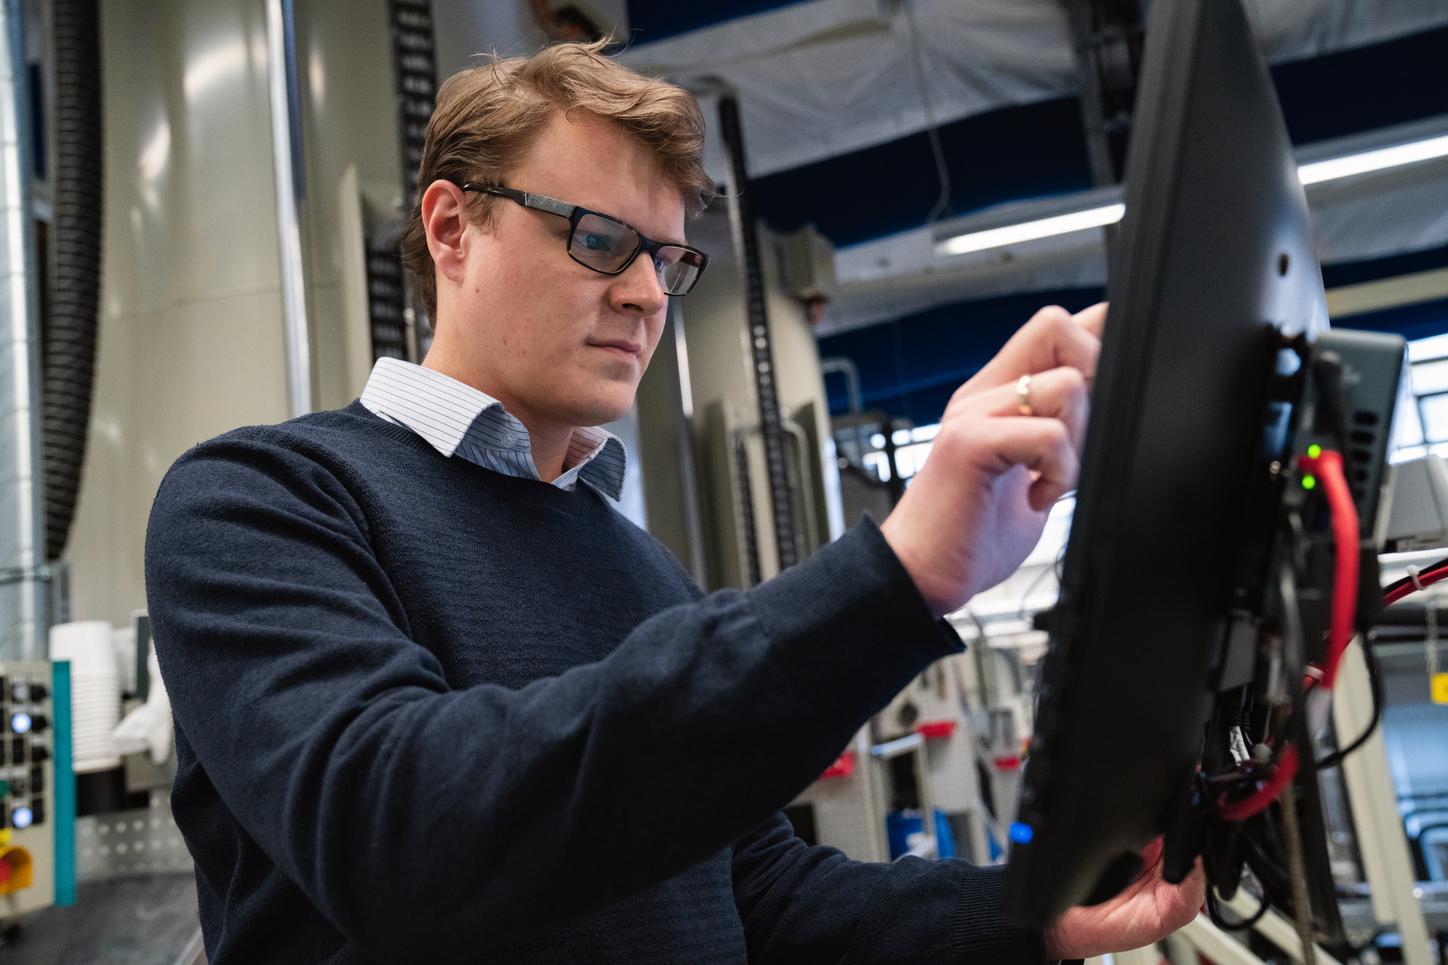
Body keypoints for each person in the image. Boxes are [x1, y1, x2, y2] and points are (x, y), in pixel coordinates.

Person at [145, 40, 1203, 964]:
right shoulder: (262, 502)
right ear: (451, 229)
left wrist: (1038, 914)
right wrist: (897, 572)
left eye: (665, 257)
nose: (648, 293)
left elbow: (754, 894)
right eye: (598, 238)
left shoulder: (635, 560)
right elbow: (400, 832)